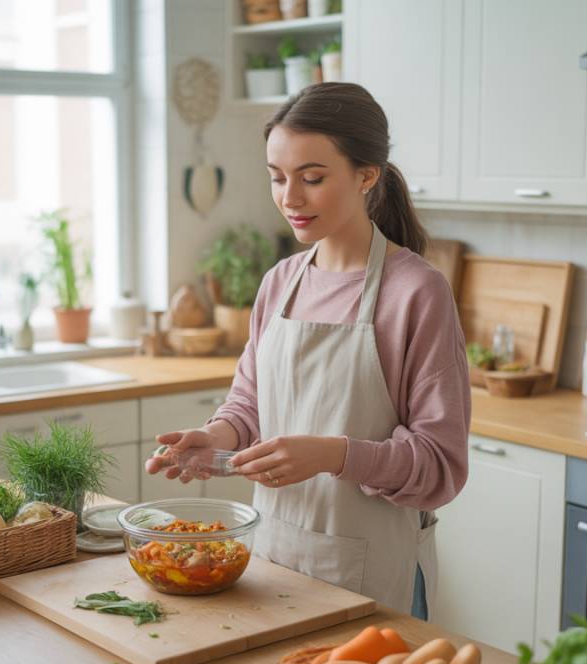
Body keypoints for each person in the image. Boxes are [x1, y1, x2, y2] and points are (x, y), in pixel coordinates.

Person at [145, 82, 470, 618]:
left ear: (367, 176)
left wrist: (334, 455)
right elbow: (251, 404)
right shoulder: (280, 282)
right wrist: (216, 438)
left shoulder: (416, 291)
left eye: (312, 178)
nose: (289, 198)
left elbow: (441, 466)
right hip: (271, 559)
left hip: (371, 575)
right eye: (277, 178)